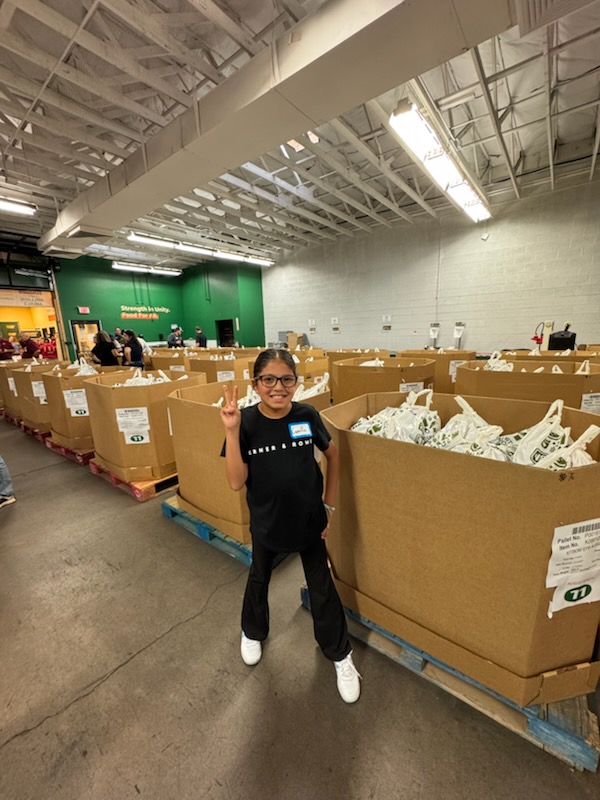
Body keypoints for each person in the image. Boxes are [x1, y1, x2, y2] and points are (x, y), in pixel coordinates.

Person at [220, 348, 361, 703]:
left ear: (296, 384)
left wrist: (328, 504)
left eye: (286, 379)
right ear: (256, 384)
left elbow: (333, 454)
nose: (277, 387)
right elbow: (236, 482)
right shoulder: (245, 421)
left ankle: (340, 655)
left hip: (310, 522)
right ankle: (252, 631)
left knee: (322, 587)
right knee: (259, 578)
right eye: (269, 379)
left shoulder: (307, 415)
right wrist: (233, 431)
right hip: (266, 524)